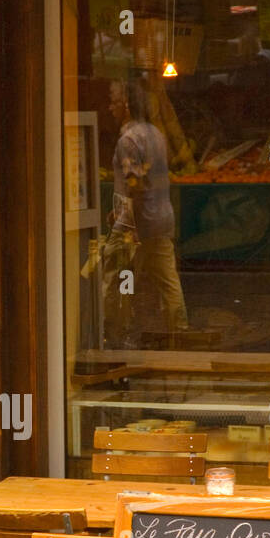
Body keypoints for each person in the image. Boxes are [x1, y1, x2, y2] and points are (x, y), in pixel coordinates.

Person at [104, 77, 188, 345]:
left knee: (117, 282)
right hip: (162, 219)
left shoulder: (128, 140)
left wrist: (124, 215)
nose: (109, 107)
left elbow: (135, 182)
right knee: (168, 281)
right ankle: (181, 333)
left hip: (136, 224)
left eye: (114, 101)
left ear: (126, 105)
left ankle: (115, 336)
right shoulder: (156, 133)